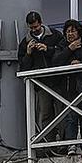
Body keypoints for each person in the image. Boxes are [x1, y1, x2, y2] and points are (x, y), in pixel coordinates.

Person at [19, 11, 65, 146]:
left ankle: (64, 143)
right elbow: (23, 66)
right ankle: (47, 145)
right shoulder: (25, 43)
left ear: (41, 23)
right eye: (31, 28)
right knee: (45, 114)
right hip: (41, 84)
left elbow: (63, 53)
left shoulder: (55, 35)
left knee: (62, 112)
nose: (34, 30)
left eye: (36, 27)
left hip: (58, 81)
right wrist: (28, 53)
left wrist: (47, 49)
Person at [54, 19, 82, 155]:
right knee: (70, 118)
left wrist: (81, 62)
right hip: (68, 87)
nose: (70, 34)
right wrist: (69, 49)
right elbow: (56, 61)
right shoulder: (62, 46)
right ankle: (71, 145)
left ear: (79, 32)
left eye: (73, 31)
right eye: (67, 31)